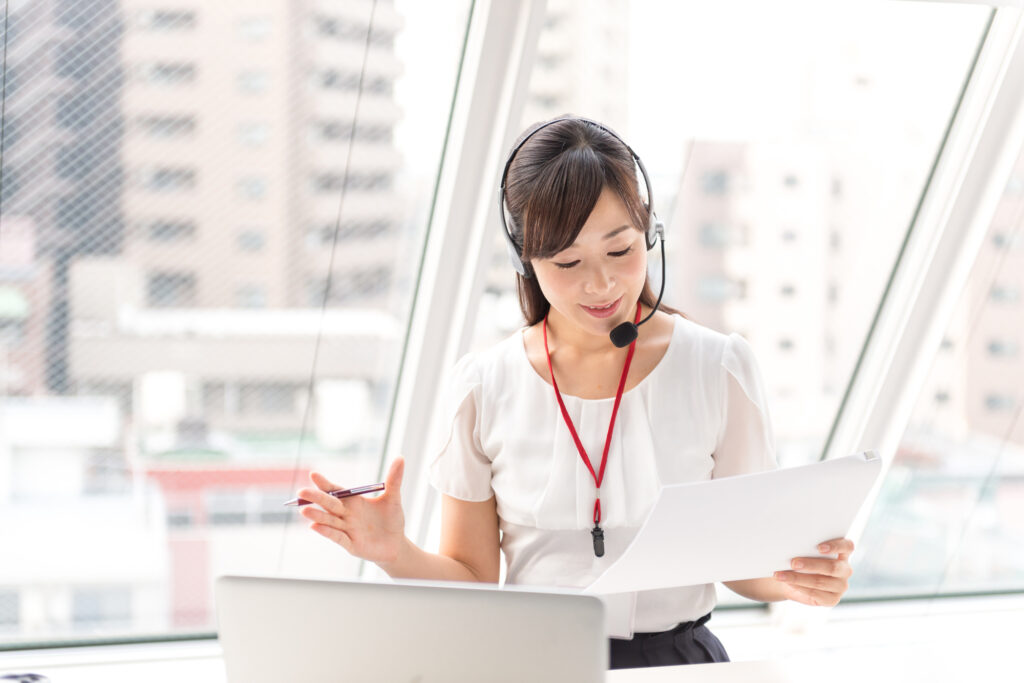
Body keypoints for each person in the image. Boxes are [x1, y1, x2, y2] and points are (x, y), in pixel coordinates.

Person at [294, 116, 856, 670]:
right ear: (525, 260)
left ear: (651, 234)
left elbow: (740, 562)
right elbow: (472, 577)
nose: (602, 285)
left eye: (620, 250)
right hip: (534, 664)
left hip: (678, 662)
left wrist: (802, 578)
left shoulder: (718, 366)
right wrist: (395, 553)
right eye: (568, 262)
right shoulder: (485, 386)